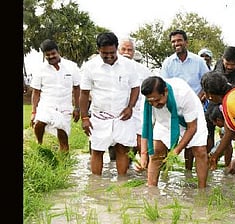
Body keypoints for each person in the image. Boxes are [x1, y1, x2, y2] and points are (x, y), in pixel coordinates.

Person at [79, 32, 140, 176]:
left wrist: (130, 107)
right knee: (97, 150)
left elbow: (135, 87)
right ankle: (96, 187)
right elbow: (84, 94)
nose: (109, 56)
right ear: (98, 50)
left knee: (122, 149)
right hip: (99, 116)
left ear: (117, 48)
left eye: (112, 52)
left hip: (122, 115)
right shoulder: (90, 67)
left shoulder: (129, 65)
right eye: (104, 53)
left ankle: (121, 183)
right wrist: (84, 118)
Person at [137, 76, 209, 189]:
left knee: (200, 151)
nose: (155, 104)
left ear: (165, 91)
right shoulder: (147, 101)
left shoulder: (183, 94)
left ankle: (202, 190)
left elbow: (192, 127)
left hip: (190, 118)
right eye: (151, 102)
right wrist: (143, 154)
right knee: (156, 152)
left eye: (157, 100)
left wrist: (177, 150)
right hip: (165, 119)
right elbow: (146, 128)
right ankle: (151, 190)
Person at [159, 29, 210, 172]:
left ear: (186, 42)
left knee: (196, 144)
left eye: (179, 40)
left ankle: (192, 175)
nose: (176, 43)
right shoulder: (168, 63)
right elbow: (164, 86)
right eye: (173, 41)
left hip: (196, 105)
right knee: (170, 139)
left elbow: (206, 82)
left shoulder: (198, 61)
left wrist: (198, 99)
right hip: (175, 107)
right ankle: (173, 171)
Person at [30, 39, 81, 152]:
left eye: (53, 53)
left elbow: (77, 88)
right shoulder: (40, 69)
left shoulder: (71, 67)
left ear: (58, 52)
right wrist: (33, 112)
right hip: (46, 105)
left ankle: (64, 163)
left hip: (65, 107)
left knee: (63, 137)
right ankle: (39, 144)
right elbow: (36, 92)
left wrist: (77, 108)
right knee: (39, 123)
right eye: (47, 55)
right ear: (44, 55)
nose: (51, 56)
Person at [118, 37, 153, 159]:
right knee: (121, 146)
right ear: (118, 50)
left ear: (134, 52)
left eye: (130, 50)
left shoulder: (143, 70)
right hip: (119, 111)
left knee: (142, 144)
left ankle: (146, 173)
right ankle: (124, 175)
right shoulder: (112, 68)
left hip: (139, 111)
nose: (126, 52)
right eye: (123, 49)